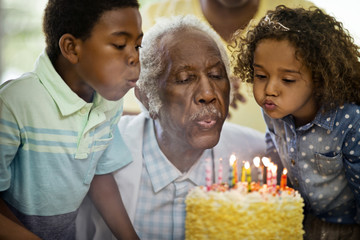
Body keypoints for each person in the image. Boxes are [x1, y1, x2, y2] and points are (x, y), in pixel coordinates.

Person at [76, 14, 266, 240]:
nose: (208, 94)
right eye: (185, 79)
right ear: (147, 97)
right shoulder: (101, 150)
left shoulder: (257, 156)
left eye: (216, 75)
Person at [0, 0, 143, 239]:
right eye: (120, 45)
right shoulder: (15, 102)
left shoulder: (108, 103)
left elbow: (99, 175)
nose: (134, 58)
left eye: (138, 45)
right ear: (72, 48)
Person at [233, 5, 360, 239]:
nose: (269, 89)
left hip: (344, 229)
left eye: (287, 79)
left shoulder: (350, 121)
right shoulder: (274, 112)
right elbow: (274, 148)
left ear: (321, 79)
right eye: (261, 76)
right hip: (298, 222)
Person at [122, 0, 316, 133]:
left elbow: (339, 110)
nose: (208, 94)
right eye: (183, 78)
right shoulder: (147, 22)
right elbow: (114, 120)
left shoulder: (307, 21)